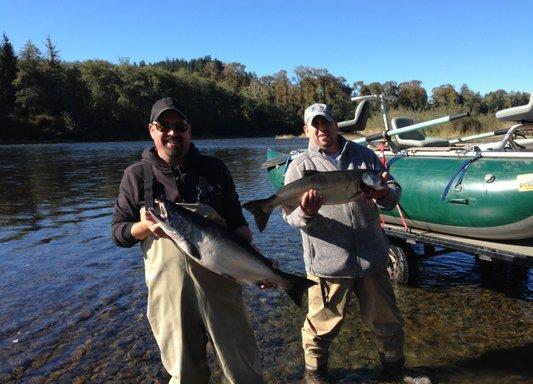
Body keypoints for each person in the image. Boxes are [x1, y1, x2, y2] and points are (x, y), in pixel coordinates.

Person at [112, 97, 265, 384]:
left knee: (245, 371)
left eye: (179, 125)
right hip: (168, 296)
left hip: (222, 286)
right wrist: (144, 228)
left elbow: (239, 226)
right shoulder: (136, 176)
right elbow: (118, 232)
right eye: (164, 126)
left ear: (189, 130)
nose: (172, 132)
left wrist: (256, 267)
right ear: (151, 130)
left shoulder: (215, 169)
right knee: (184, 376)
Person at [282, 103, 406, 383]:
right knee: (319, 329)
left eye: (326, 122)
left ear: (336, 124)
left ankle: (394, 372)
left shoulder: (364, 156)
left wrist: (383, 192)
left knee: (388, 323)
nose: (321, 129)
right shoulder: (300, 166)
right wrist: (307, 212)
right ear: (306, 130)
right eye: (315, 125)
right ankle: (315, 375)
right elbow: (289, 216)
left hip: (373, 258)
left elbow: (393, 194)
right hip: (328, 264)